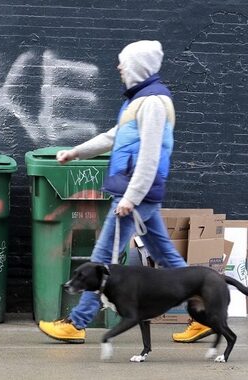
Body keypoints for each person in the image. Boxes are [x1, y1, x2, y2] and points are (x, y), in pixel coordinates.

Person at [37, 40, 212, 344]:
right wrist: (76, 152)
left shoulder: (154, 102)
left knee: (101, 259)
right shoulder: (139, 101)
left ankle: (77, 323)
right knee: (165, 256)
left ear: (137, 66)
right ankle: (204, 313)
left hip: (136, 193)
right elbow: (114, 136)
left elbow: (150, 155)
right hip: (139, 192)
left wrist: (131, 198)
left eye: (123, 62)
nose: (118, 67)